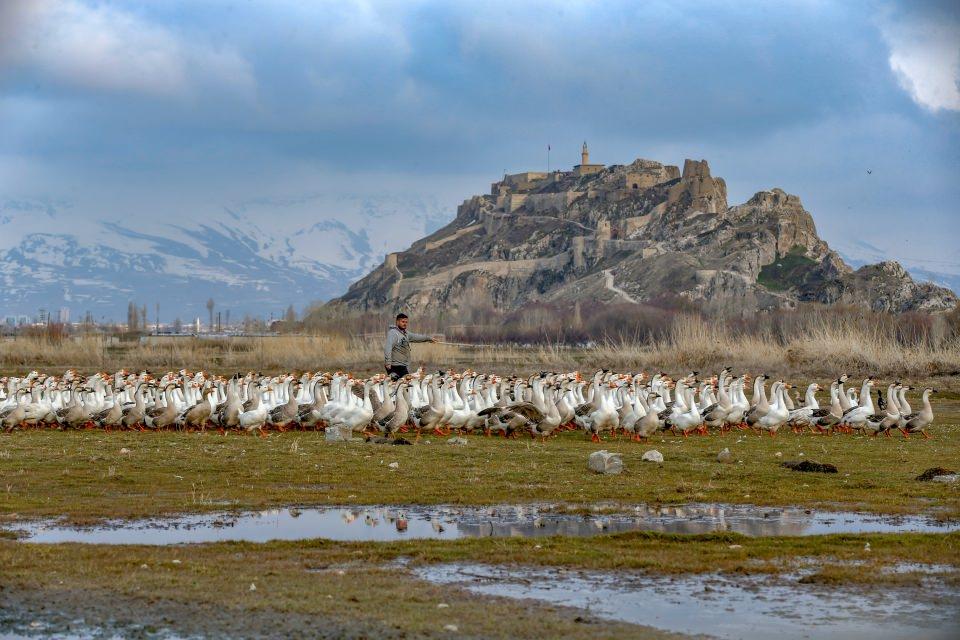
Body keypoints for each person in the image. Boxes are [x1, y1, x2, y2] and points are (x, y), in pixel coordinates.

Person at [383, 313, 435, 379]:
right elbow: (388, 347)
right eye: (403, 322)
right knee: (404, 384)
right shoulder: (393, 333)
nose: (405, 324)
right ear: (397, 322)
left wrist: (429, 339)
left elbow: (417, 337)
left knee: (402, 385)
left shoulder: (406, 334)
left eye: (406, 322)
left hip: (402, 365)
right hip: (395, 365)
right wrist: (388, 362)